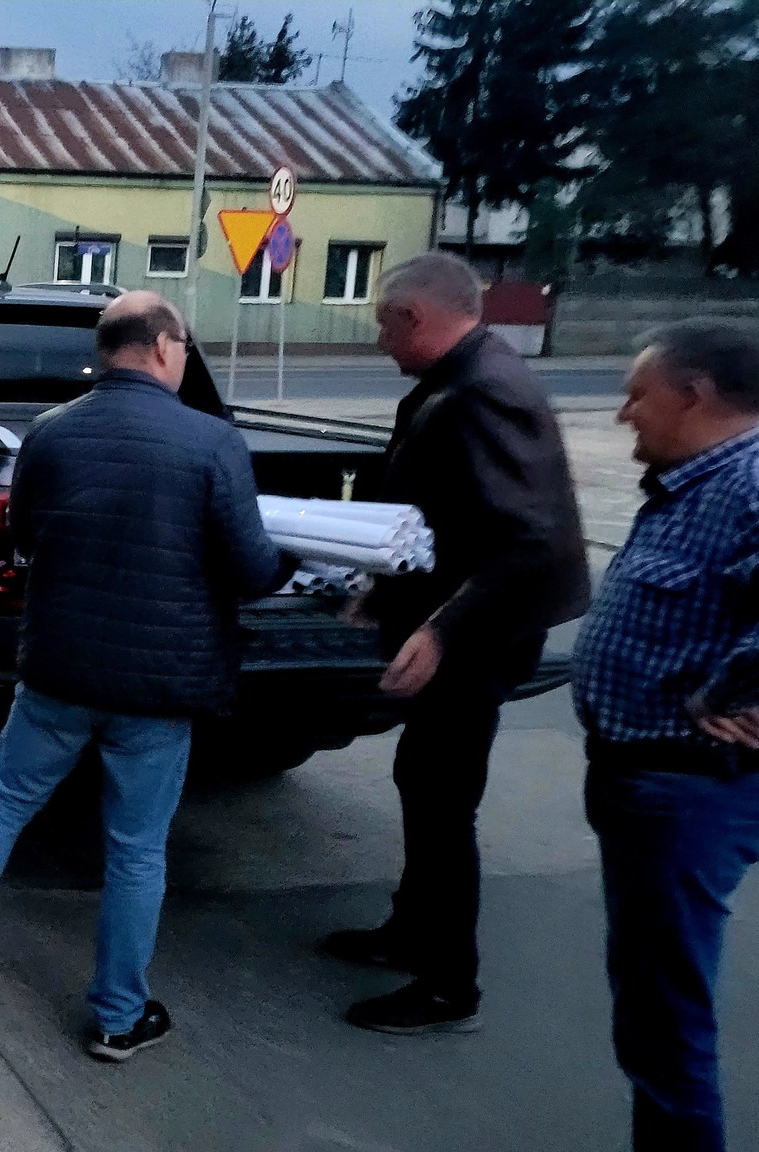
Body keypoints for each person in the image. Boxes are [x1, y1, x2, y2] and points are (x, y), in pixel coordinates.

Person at [0, 291, 289, 1062]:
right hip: (155, 689)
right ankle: (116, 1018)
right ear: (164, 347)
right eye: (184, 346)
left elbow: (25, 535)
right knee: (137, 848)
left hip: (58, 671)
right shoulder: (212, 442)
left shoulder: (49, 432)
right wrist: (295, 560)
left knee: (1, 803)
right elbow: (250, 570)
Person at [322, 251, 590, 1033]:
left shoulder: (485, 391)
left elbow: (527, 541)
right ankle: (412, 931)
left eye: (383, 324)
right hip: (463, 621)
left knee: (443, 798)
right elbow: (445, 509)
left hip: (479, 637)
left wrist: (441, 630)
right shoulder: (462, 377)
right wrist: (385, 587)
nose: (379, 341)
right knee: (424, 776)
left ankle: (448, 984)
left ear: (414, 316)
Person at [571, 320, 759, 1152]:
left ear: (694, 395)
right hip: (649, 782)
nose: (624, 413)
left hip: (689, 790)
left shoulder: (754, 487)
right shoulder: (693, 486)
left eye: (637, 394)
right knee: (652, 1005)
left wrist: (725, 690)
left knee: (664, 1020)